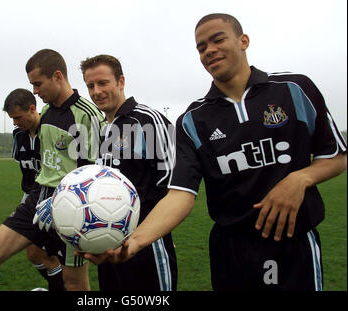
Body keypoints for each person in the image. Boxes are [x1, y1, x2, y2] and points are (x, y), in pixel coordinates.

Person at [83, 14, 347, 291]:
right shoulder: (193, 120)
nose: (209, 50)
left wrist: (300, 179)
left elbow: (335, 157)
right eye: (201, 47)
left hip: (293, 245)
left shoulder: (293, 89)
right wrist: (134, 242)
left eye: (218, 39)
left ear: (243, 41)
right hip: (230, 250)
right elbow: (181, 194)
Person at [36, 54, 178, 291]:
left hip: (146, 246)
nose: (96, 91)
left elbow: (174, 186)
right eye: (90, 85)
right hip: (107, 244)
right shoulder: (101, 129)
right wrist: (60, 201)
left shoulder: (148, 121)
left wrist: (155, 232)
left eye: (103, 83)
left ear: (121, 82)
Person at [0, 49, 104, 291]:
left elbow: (94, 175)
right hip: (37, 199)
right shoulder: (47, 113)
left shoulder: (87, 114)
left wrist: (60, 204)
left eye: (37, 84)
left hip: (72, 209)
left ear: (57, 76)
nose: (34, 90)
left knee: (73, 282)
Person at [5, 88, 65, 291]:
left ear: (32, 109)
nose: (15, 123)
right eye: (12, 118)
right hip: (30, 198)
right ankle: (60, 285)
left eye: (18, 117)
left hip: (53, 198)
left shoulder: (51, 131)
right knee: (34, 254)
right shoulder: (18, 135)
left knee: (55, 255)